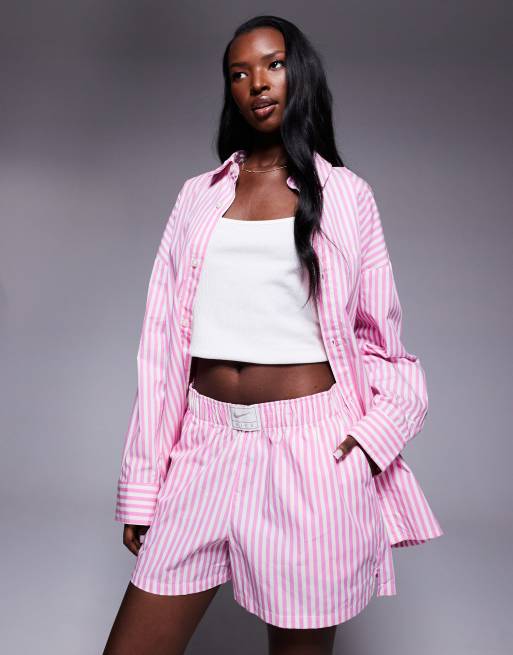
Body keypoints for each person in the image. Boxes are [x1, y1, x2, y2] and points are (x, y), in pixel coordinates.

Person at [103, 15, 443, 655]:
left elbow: (382, 341)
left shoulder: (346, 196)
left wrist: (370, 442)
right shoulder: (196, 198)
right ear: (230, 90)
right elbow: (160, 351)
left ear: (299, 73)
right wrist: (144, 485)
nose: (257, 82)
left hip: (311, 454)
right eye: (240, 73)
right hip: (202, 448)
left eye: (273, 64)